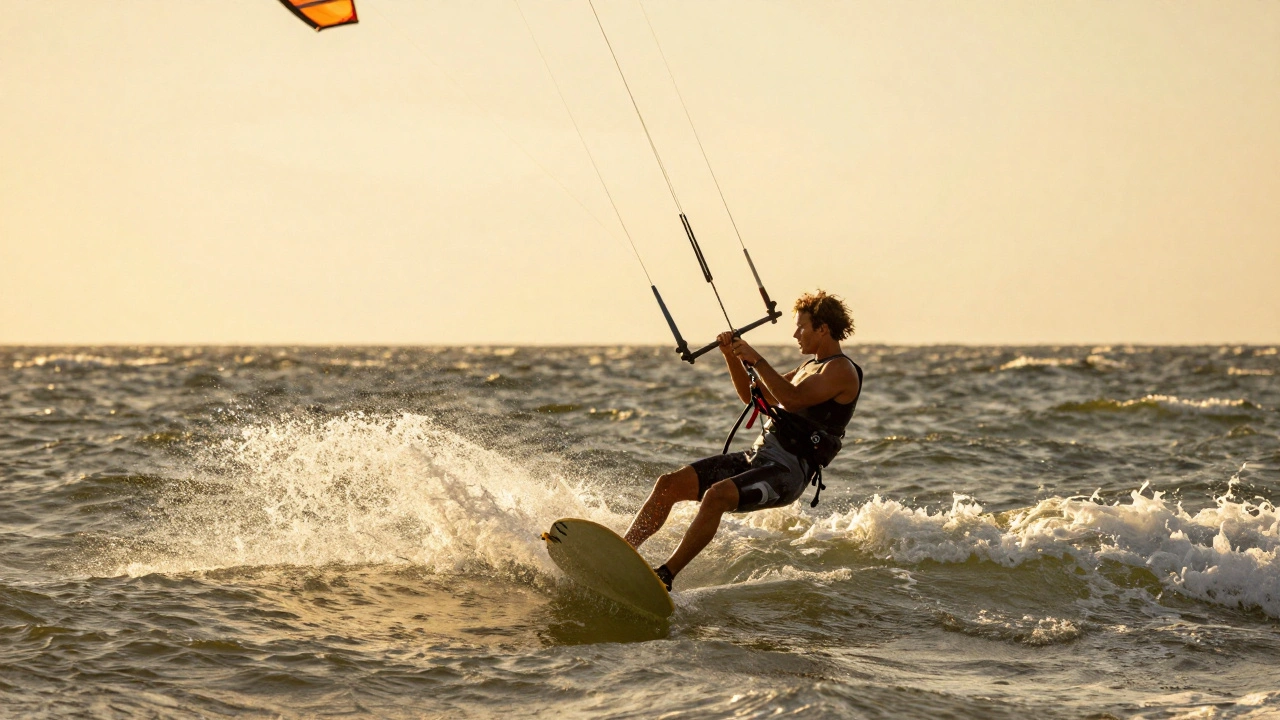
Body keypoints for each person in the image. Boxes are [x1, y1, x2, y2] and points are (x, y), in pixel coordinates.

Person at [624, 290, 864, 590]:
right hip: (759, 457)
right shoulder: (807, 368)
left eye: (801, 327)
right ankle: (623, 551)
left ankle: (665, 577)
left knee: (716, 496)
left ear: (822, 328)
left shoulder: (841, 369)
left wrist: (757, 358)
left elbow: (790, 400)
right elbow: (751, 397)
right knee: (668, 484)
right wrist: (732, 356)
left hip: (787, 472)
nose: (795, 334)